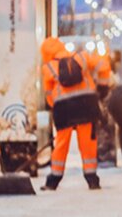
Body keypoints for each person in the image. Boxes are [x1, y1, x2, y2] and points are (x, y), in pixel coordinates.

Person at [39, 38, 103, 190]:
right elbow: (103, 65)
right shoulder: (82, 57)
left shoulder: (48, 67)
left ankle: (53, 180)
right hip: (87, 105)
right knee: (87, 143)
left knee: (61, 144)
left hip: (64, 109)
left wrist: (55, 105)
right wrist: (103, 86)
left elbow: (48, 94)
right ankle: (92, 178)